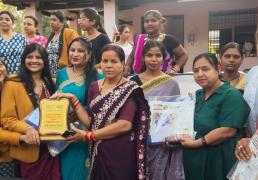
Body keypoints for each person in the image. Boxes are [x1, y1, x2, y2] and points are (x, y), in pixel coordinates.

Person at [51, 44, 150, 180]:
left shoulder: (130, 89)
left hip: (120, 151)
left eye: (114, 61)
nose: (108, 65)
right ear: (100, 64)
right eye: (105, 61)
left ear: (122, 64)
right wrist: (74, 100)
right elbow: (91, 122)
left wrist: (88, 136)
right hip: (97, 150)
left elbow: (125, 124)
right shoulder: (94, 87)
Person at [172, 53, 250, 180]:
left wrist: (197, 143)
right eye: (196, 71)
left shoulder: (231, 95)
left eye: (205, 69)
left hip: (219, 160)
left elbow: (228, 131)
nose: (200, 74)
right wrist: (174, 138)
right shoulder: (197, 95)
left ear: (218, 69)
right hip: (195, 159)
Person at [1, 44, 60, 180]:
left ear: (44, 60)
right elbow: (7, 120)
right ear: (23, 60)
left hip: (52, 148)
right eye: (30, 57)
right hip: (29, 148)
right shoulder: (12, 84)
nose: (34, 60)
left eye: (38, 57)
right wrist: (27, 129)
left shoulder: (51, 83)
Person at [130, 40, 184, 180]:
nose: (153, 59)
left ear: (164, 58)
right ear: (143, 57)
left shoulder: (171, 83)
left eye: (158, 55)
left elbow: (175, 113)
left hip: (161, 141)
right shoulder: (132, 82)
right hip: (136, 138)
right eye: (149, 55)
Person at [55, 37, 104, 180]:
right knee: (65, 171)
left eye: (80, 51)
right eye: (72, 50)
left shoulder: (98, 75)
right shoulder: (61, 73)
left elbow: (101, 107)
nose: (75, 54)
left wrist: (78, 113)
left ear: (88, 55)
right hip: (64, 133)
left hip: (85, 132)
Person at [125, 9, 188, 75]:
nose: (149, 23)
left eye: (153, 20)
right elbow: (132, 56)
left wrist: (175, 68)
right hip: (139, 78)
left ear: (160, 22)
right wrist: (127, 66)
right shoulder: (139, 39)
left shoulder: (169, 39)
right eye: (147, 21)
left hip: (161, 80)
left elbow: (184, 55)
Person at [47, 11, 78, 76]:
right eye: (50, 20)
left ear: (62, 22)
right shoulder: (51, 36)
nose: (51, 22)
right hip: (50, 73)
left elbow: (77, 50)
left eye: (54, 20)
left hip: (64, 71)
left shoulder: (69, 33)